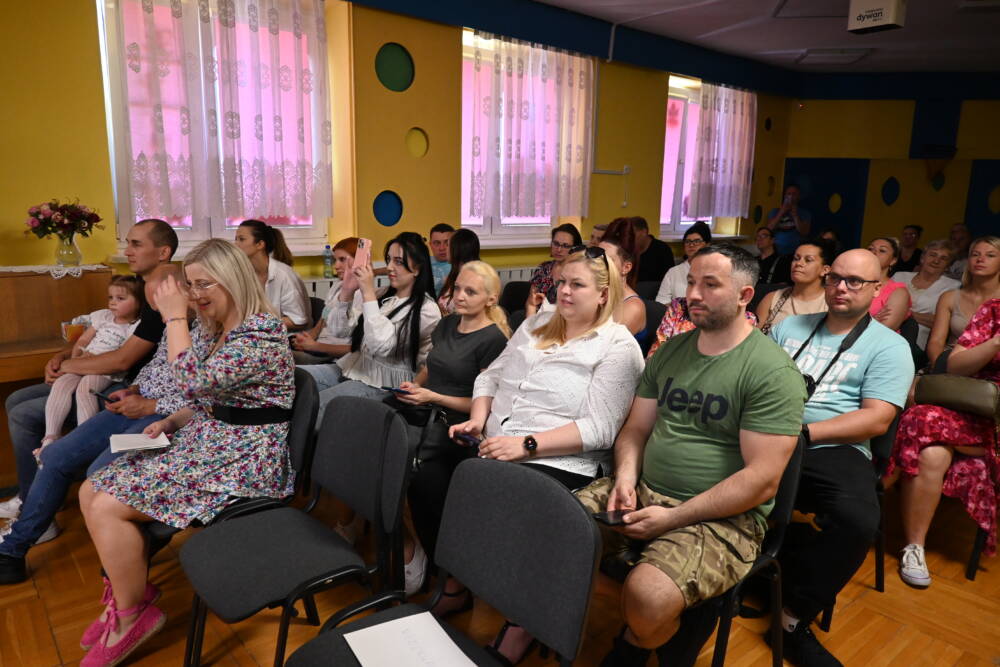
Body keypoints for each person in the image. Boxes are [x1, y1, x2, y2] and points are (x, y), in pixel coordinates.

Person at [577, 244, 806, 666]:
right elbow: (635, 430)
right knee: (551, 530)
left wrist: (673, 518)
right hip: (643, 490)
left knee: (647, 596)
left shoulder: (772, 372)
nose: (693, 294)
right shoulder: (670, 351)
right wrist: (625, 478)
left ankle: (638, 638)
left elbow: (762, 480)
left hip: (722, 518)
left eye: (710, 285)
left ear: (745, 295)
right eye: (691, 282)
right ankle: (660, 621)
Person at [76, 238, 296, 664]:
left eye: (203, 284)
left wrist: (175, 317)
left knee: (105, 506)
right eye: (190, 286)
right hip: (215, 439)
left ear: (233, 279)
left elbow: (193, 382)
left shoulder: (262, 334)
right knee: (90, 489)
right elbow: (206, 398)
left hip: (248, 457)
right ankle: (129, 592)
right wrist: (173, 421)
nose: (195, 295)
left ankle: (130, 617)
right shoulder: (222, 330)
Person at [450, 246, 645, 664]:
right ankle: (457, 584)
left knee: (518, 508)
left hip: (560, 460)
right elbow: (489, 377)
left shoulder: (618, 346)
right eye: (561, 283)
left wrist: (526, 444)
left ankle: (522, 623)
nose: (565, 292)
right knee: (437, 477)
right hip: (497, 444)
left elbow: (600, 428)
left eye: (577, 285)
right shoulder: (536, 323)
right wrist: (477, 421)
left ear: (603, 293)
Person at [770, 249, 913, 667]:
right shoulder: (789, 327)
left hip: (831, 445)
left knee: (857, 520)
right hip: (768, 436)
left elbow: (876, 419)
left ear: (876, 289)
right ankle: (730, 574)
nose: (841, 288)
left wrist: (804, 434)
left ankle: (792, 618)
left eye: (855, 282)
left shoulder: (890, 346)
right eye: (835, 278)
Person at [0, 278, 193, 586]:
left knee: (98, 473)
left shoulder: (209, 331)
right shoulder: (174, 325)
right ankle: (12, 550)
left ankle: (133, 552)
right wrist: (132, 390)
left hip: (167, 417)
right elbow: (154, 369)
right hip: (136, 404)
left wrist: (150, 404)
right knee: (54, 455)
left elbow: (203, 398)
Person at [1, 220, 179, 529]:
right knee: (16, 399)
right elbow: (103, 338)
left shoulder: (161, 298)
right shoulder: (137, 291)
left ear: (163, 253)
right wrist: (64, 356)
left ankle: (37, 506)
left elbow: (122, 360)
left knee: (23, 413)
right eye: (128, 243)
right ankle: (37, 493)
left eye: (136, 244)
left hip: (120, 386)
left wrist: (68, 366)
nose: (128, 251)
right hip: (117, 378)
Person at [396, 261, 510, 596]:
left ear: (490, 299)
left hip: (457, 424)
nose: (459, 296)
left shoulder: (493, 339)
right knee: (375, 448)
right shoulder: (447, 325)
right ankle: (412, 545)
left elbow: (483, 403)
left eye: (470, 291)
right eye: (457, 288)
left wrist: (431, 396)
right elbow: (431, 368)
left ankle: (438, 563)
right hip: (426, 409)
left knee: (416, 478)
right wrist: (414, 387)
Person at [885, 298, 1000, 588]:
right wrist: (995, 343)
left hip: (995, 423)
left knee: (924, 431)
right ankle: (915, 547)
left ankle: (878, 486)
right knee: (929, 444)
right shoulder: (994, 310)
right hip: (967, 409)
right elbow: (954, 365)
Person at [301, 232, 441, 426]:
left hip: (384, 385)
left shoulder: (427, 309)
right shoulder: (383, 295)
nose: (389, 267)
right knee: (296, 378)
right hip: (352, 368)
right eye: (389, 260)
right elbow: (339, 331)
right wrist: (347, 291)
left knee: (313, 408)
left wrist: (367, 292)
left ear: (417, 268)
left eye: (398, 261)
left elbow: (380, 346)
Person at [39, 276, 144, 459]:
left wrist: (90, 362)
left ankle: (81, 439)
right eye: (110, 297)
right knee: (61, 383)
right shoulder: (104, 317)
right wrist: (77, 359)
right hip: (83, 362)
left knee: (86, 389)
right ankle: (50, 437)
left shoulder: (135, 326)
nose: (113, 303)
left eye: (120, 298)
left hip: (105, 370)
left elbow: (121, 355)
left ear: (138, 302)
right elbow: (83, 340)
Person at [926, 236, 1000, 369]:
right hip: (950, 363)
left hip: (993, 370)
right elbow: (936, 342)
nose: (980, 259)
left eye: (990, 255)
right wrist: (942, 369)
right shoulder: (949, 297)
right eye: (975, 254)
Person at [291, 237, 359, 364]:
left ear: (359, 261)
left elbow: (355, 349)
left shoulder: (362, 295)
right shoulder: (337, 286)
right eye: (335, 260)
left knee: (281, 357)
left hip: (333, 354)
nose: (336, 266)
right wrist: (310, 337)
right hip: (319, 344)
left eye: (342, 260)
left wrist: (314, 346)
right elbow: (325, 315)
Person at [234, 220, 310, 331]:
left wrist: (256, 324)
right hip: (259, 334)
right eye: (236, 239)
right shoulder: (243, 274)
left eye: (241, 239)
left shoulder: (285, 275)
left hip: (290, 336)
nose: (235, 244)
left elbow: (297, 321)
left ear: (260, 244)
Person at [893, 240, 961, 349]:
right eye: (933, 255)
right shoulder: (899, 276)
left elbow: (945, 324)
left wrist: (905, 313)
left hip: (919, 344)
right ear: (922, 258)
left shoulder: (953, 286)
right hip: (887, 331)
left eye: (943, 258)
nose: (936, 261)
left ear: (948, 266)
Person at [756, 239, 834, 335]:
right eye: (796, 258)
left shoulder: (831, 303)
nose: (798, 263)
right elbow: (753, 338)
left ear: (825, 270)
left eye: (808, 260)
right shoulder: (772, 298)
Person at [600, 219, 647, 336]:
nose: (599, 265)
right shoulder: (598, 294)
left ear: (626, 267)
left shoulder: (633, 307)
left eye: (608, 260)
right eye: (597, 258)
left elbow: (604, 344)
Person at [527, 223, 582, 310]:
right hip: (539, 316)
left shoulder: (580, 273)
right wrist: (531, 318)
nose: (559, 249)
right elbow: (531, 302)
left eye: (565, 246)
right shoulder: (543, 268)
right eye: (556, 243)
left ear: (575, 249)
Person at [654, 222, 710, 304]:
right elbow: (661, 303)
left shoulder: (716, 270)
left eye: (697, 241)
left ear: (707, 245)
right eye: (687, 241)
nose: (691, 245)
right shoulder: (673, 272)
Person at [867, 237, 911, 331]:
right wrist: (871, 321)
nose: (873, 253)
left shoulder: (899, 292)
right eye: (870, 249)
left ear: (893, 261)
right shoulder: (849, 282)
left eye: (882, 250)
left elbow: (884, 329)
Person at [436, 228, 480, 315]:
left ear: (458, 249)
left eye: (447, 245)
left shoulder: (474, 281)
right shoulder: (453, 276)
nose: (444, 248)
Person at [767, 184, 812, 256]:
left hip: (795, 251)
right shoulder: (775, 211)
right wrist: (781, 212)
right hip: (776, 250)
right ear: (784, 196)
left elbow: (804, 232)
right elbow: (769, 229)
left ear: (798, 196)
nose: (791, 196)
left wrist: (795, 215)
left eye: (794, 194)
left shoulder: (804, 213)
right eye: (788, 194)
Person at [631, 217, 675, 284]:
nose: (629, 239)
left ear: (644, 232)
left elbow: (670, 279)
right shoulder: (627, 249)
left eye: (633, 235)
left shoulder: (662, 249)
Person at [428, 222, 455, 295]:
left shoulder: (462, 266)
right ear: (430, 245)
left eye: (447, 243)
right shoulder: (422, 264)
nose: (442, 248)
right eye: (437, 243)